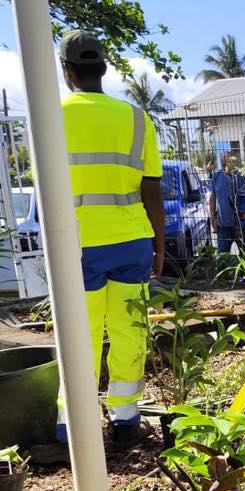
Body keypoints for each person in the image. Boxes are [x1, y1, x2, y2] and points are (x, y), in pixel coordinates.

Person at [48, 30, 164, 454]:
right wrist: (159, 243)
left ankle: (71, 427)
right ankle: (126, 419)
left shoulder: (51, 115)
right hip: (133, 239)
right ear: (104, 68)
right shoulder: (136, 117)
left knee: (82, 334)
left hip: (77, 245)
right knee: (130, 329)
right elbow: (152, 188)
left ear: (67, 70)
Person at [209, 151, 241, 253]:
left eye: (227, 159)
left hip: (239, 224)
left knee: (243, 255)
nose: (224, 161)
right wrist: (213, 218)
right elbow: (212, 198)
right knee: (223, 256)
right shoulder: (217, 176)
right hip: (222, 224)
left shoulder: (238, 176)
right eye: (223, 159)